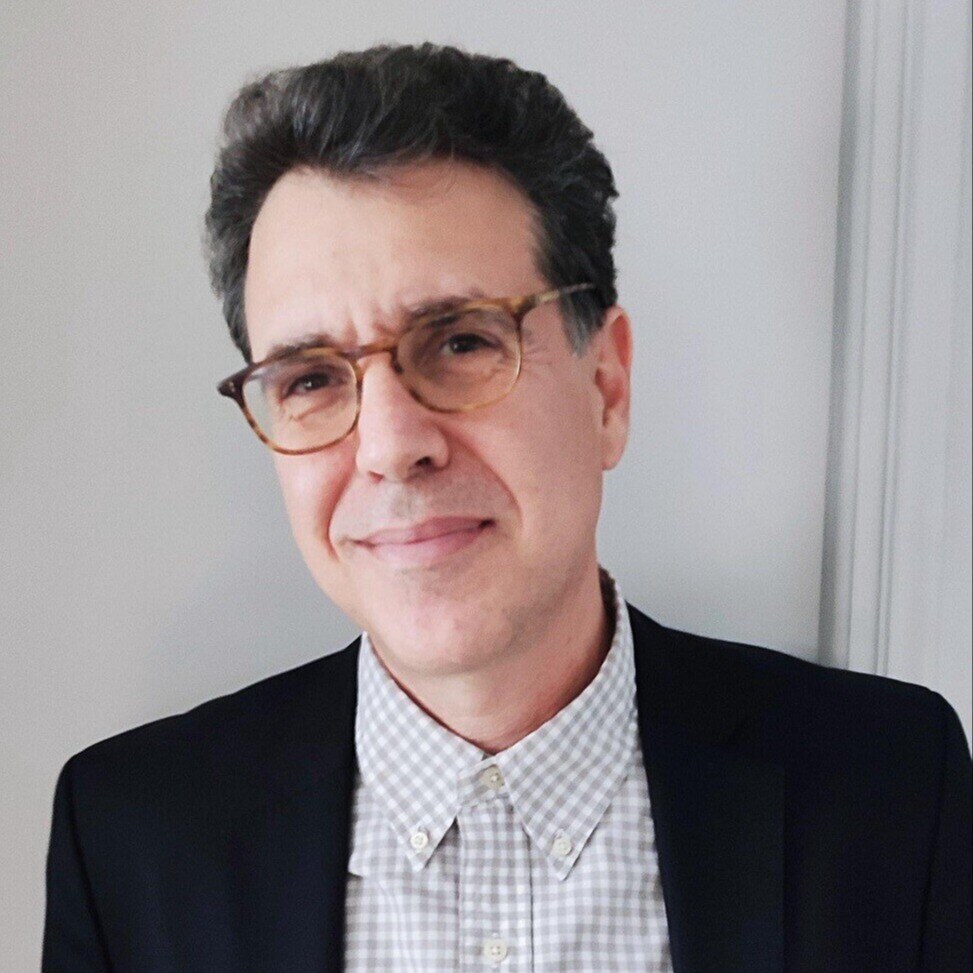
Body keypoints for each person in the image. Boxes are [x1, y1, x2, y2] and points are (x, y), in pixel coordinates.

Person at [42, 42, 970, 973]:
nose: (389, 445)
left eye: (459, 341)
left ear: (605, 388)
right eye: (311, 377)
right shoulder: (128, 838)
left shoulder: (892, 788)